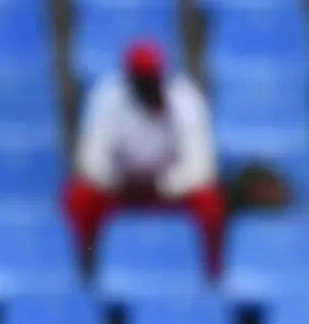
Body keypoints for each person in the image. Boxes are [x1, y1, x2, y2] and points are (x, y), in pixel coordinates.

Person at [63, 39, 225, 278]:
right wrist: (118, 180)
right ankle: (84, 273)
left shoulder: (185, 99)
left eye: (151, 79)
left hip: (168, 191)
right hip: (120, 189)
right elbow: (90, 161)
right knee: (80, 198)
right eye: (141, 80)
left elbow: (201, 167)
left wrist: (164, 184)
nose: (147, 85)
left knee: (210, 202)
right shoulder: (107, 96)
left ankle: (210, 277)